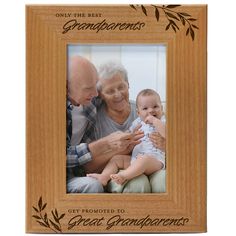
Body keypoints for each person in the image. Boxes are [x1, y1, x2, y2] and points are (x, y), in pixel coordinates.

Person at [79, 61, 166, 192]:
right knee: (137, 185)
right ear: (100, 94)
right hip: (123, 166)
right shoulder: (93, 119)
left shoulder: (148, 110)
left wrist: (167, 145)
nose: (118, 94)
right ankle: (107, 178)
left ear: (128, 85)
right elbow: (88, 166)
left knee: (163, 180)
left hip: (151, 162)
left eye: (121, 87)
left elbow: (175, 142)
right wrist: (122, 149)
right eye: (109, 91)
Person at [66, 56, 143, 193]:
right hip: (66, 174)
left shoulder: (91, 105)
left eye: (121, 87)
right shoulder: (54, 112)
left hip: (144, 167)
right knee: (133, 186)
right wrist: (112, 145)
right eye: (109, 91)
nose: (95, 93)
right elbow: (76, 162)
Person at [88, 89, 166, 186]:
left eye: (155, 106)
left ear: (161, 108)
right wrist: (128, 136)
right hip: (135, 160)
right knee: (117, 159)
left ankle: (123, 176)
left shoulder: (162, 120)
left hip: (155, 161)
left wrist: (154, 120)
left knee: (144, 160)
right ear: (138, 113)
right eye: (145, 109)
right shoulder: (138, 122)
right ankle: (104, 177)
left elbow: (167, 134)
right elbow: (128, 134)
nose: (151, 110)